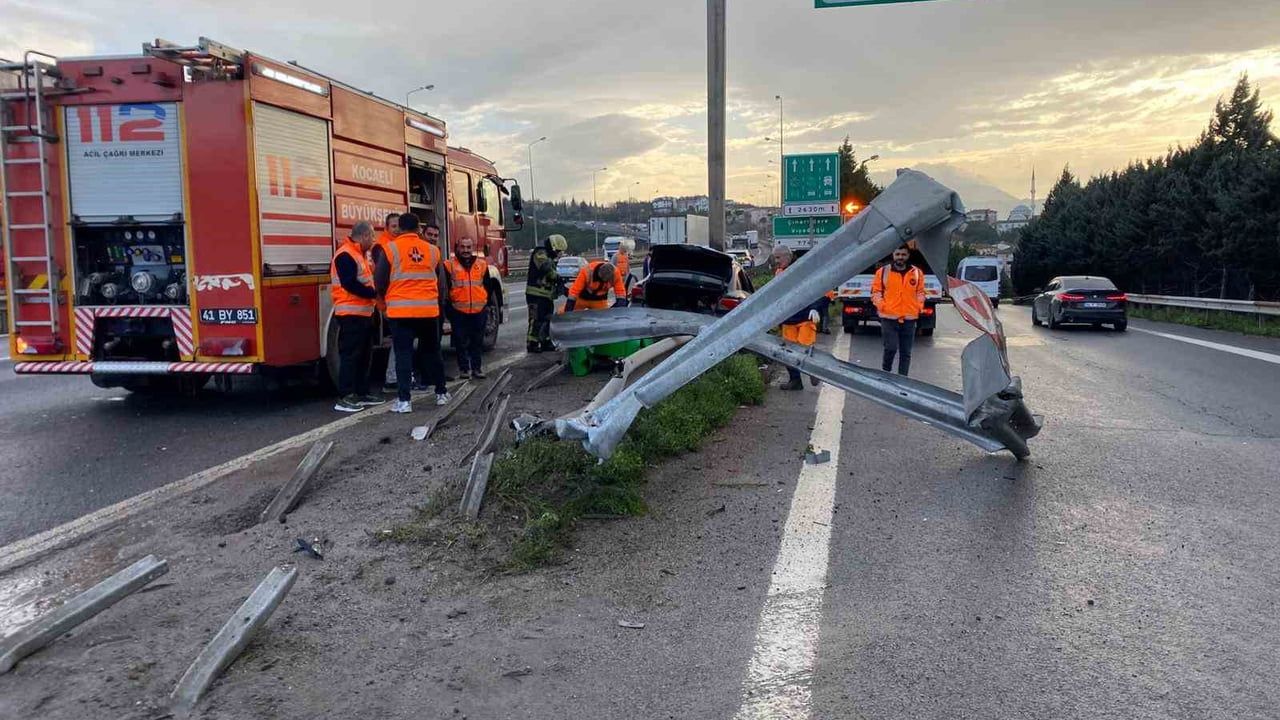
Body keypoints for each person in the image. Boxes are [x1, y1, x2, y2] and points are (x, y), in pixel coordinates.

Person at [375, 212, 451, 412]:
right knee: (433, 353)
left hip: (401, 313)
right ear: (419, 229)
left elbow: (380, 281)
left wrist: (384, 305)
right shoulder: (433, 251)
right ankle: (442, 393)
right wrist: (439, 307)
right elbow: (441, 284)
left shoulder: (390, 249)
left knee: (403, 355)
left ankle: (404, 401)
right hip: (428, 312)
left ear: (399, 228)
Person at [330, 221, 383, 412]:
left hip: (363, 314)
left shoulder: (358, 254)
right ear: (365, 235)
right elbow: (349, 283)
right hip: (350, 314)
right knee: (350, 356)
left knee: (364, 356)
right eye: (373, 236)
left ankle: (361, 393)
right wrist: (372, 294)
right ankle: (345, 396)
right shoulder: (345, 254)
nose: (374, 240)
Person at [772, 245, 824, 390]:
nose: (776, 261)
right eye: (775, 258)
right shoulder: (779, 273)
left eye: (778, 257)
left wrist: (814, 307)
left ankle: (813, 371)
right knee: (788, 354)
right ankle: (795, 381)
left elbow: (815, 289)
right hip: (788, 319)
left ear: (788, 256)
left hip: (805, 317)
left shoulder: (803, 270)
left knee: (804, 349)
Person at [872, 243, 925, 376]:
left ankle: (903, 380)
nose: (900, 257)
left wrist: (919, 306)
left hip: (909, 318)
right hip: (889, 318)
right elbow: (876, 292)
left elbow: (920, 293)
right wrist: (882, 305)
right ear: (893, 255)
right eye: (898, 254)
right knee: (890, 348)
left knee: (906, 353)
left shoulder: (917, 273)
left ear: (908, 256)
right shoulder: (883, 272)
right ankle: (886, 373)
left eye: (903, 254)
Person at [443, 237, 489, 380]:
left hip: (479, 310)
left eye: (468, 247)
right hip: (458, 311)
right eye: (462, 247)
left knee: (477, 341)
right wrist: (449, 310)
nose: (465, 250)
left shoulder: (482, 265)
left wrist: (484, 304)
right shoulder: (449, 265)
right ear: (457, 248)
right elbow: (446, 289)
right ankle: (464, 369)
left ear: (472, 248)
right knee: (460, 342)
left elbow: (487, 286)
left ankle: (477, 368)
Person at [526, 234, 567, 352]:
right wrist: (558, 278)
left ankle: (545, 341)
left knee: (548, 318)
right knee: (536, 319)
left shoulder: (548, 255)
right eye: (559, 251)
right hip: (535, 294)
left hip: (547, 295)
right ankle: (532, 343)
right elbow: (546, 269)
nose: (559, 254)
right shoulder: (540, 253)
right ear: (553, 247)